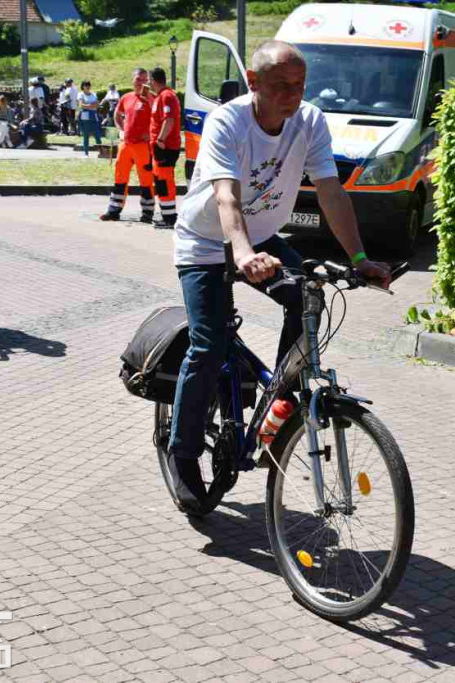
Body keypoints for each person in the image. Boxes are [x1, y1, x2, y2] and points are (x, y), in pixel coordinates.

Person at [165, 41, 392, 511]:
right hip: (207, 241)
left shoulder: (309, 121)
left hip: (263, 236)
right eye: (280, 86)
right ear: (253, 82)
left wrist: (360, 257)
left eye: (300, 85)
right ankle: (182, 453)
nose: (293, 95)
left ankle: (279, 402)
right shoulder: (228, 121)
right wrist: (242, 252)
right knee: (207, 346)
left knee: (308, 297)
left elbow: (330, 189)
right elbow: (226, 195)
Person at [98, 69, 156, 223]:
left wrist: (150, 134)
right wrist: (121, 129)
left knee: (146, 180)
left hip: (143, 146)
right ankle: (113, 210)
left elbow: (159, 119)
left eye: (145, 80)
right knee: (120, 177)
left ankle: (148, 212)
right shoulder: (126, 97)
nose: (142, 82)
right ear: (133, 80)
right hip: (126, 144)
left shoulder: (152, 98)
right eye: (139, 79)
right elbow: (117, 114)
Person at [148, 67, 180, 229]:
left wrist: (160, 140)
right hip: (162, 146)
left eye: (149, 80)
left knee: (164, 182)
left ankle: (169, 218)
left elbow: (169, 121)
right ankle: (168, 215)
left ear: (154, 80)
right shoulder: (163, 96)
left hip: (165, 147)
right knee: (161, 181)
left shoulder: (166, 96)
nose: (148, 83)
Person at [76, 80, 102, 155]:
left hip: (93, 114)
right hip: (84, 115)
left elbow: (97, 105)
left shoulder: (93, 94)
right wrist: (91, 105)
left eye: (89, 85)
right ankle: (86, 153)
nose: (87, 86)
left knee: (97, 133)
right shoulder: (80, 94)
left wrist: (88, 105)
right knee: (86, 134)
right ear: (82, 86)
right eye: (86, 85)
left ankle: (101, 151)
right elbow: (81, 105)